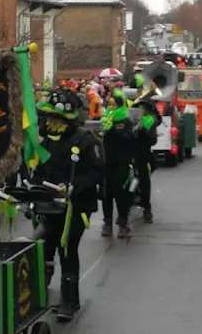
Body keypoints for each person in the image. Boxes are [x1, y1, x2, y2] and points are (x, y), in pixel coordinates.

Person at [32, 88, 103, 320]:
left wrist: (73, 185)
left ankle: (69, 301)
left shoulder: (85, 140)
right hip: (49, 205)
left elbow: (96, 171)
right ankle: (40, 294)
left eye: (54, 119)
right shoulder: (47, 140)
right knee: (44, 246)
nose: (49, 124)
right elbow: (42, 168)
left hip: (76, 206)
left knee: (67, 249)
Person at [101, 89, 136, 239]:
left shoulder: (127, 121)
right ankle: (107, 223)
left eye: (114, 105)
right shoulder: (104, 120)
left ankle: (123, 223)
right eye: (109, 105)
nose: (111, 108)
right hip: (107, 162)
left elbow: (129, 139)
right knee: (106, 194)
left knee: (121, 194)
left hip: (122, 162)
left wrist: (113, 129)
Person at [132, 92, 161, 224]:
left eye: (143, 109)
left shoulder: (150, 121)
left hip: (143, 155)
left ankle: (146, 209)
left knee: (144, 182)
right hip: (130, 154)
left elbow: (153, 141)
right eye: (139, 108)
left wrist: (143, 130)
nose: (141, 111)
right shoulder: (131, 118)